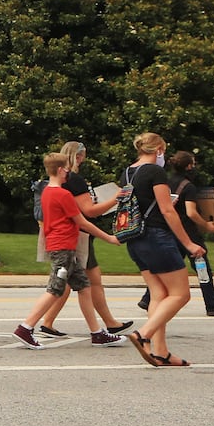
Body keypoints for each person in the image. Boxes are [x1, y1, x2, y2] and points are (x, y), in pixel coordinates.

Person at [11, 152, 126, 349]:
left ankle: (97, 333)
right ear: (59, 170)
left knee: (83, 286)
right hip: (63, 247)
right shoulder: (62, 194)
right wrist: (109, 238)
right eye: (66, 168)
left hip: (63, 246)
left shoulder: (47, 190)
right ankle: (25, 328)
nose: (68, 172)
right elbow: (82, 222)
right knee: (55, 289)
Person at [123, 132, 206, 368]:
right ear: (158, 149)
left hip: (136, 238)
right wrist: (189, 243)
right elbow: (167, 211)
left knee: (158, 294)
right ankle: (143, 334)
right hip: (157, 237)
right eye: (164, 150)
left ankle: (161, 351)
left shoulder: (128, 171)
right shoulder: (156, 172)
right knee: (181, 294)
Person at [37, 141, 133, 339]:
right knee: (85, 281)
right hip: (76, 236)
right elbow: (87, 213)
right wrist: (117, 198)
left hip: (67, 235)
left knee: (74, 281)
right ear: (78, 156)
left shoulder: (54, 185)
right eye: (83, 156)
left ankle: (48, 323)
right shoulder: (73, 182)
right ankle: (106, 325)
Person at [136, 151, 214, 316]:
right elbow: (191, 213)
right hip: (188, 234)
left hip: (170, 230)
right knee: (203, 269)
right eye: (192, 164)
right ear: (188, 166)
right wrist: (207, 226)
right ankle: (213, 305)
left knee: (166, 267)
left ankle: (147, 299)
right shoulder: (188, 186)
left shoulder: (166, 182)